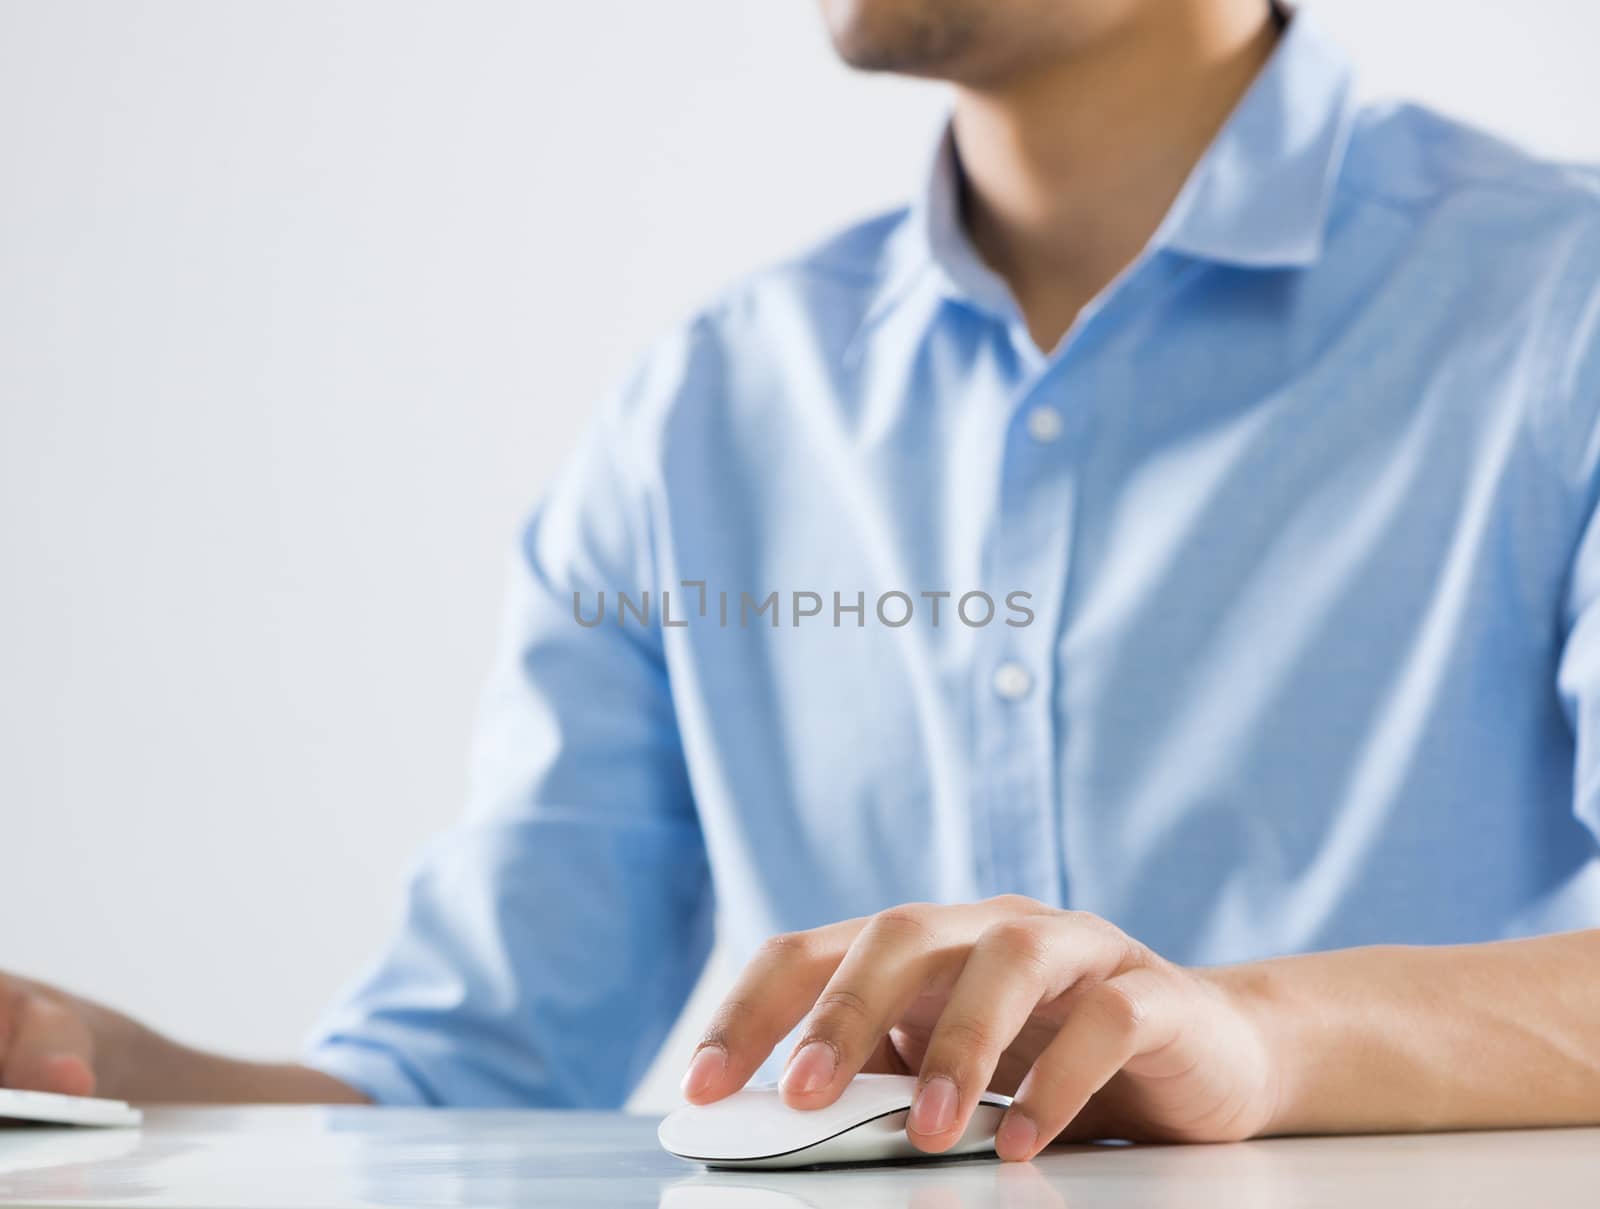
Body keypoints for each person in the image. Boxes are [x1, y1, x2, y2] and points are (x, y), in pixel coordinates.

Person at [5, 0, 1600, 1162]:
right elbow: (469, 1077)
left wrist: (1256, 1038)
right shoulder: (703, 409)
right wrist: (96, 1070)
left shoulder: (1562, 308)